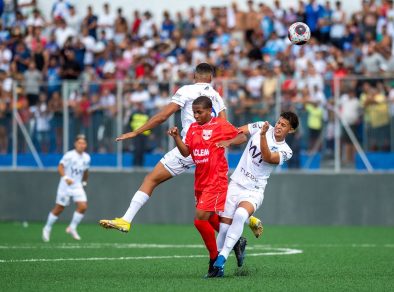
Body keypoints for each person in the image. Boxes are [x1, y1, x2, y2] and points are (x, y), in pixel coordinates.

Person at [99, 63, 262, 238]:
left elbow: (163, 116)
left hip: (190, 146)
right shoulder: (216, 96)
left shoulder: (186, 90)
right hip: (211, 151)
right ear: (211, 78)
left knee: (151, 179)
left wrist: (136, 132)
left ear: (194, 76)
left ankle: (126, 219)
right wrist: (226, 142)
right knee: (212, 200)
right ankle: (247, 219)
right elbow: (225, 125)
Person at [207, 112, 299, 277]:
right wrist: (227, 140)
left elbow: (268, 157)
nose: (278, 126)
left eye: (283, 125)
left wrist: (263, 135)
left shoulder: (286, 151)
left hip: (254, 190)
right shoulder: (260, 126)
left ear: (290, 130)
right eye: (278, 122)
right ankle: (217, 268)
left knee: (240, 214)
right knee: (224, 228)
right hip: (236, 183)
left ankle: (221, 259)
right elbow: (238, 132)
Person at [168, 96, 247, 276]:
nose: (196, 115)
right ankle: (236, 242)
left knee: (199, 219)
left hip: (216, 180)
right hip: (200, 180)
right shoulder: (192, 129)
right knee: (210, 218)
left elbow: (241, 136)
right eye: (194, 112)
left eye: (199, 112)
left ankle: (214, 261)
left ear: (210, 111)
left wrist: (228, 142)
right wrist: (176, 138)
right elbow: (186, 152)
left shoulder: (220, 124)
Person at [42, 134, 91, 242]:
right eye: (79, 143)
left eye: (84, 143)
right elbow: (60, 167)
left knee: (83, 206)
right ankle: (47, 228)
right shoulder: (69, 155)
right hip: (66, 186)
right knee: (59, 208)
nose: (81, 145)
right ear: (75, 144)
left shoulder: (87, 157)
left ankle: (72, 228)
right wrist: (65, 177)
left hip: (77, 185)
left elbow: (86, 171)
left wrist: (84, 182)